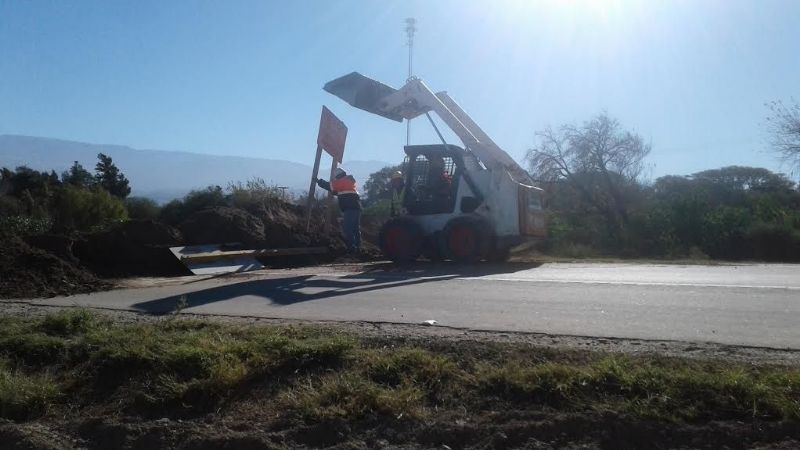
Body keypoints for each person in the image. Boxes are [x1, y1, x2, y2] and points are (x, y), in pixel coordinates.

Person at [317, 167, 362, 253]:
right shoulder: (349, 181)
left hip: (350, 208)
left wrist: (319, 181)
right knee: (355, 229)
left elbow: (330, 186)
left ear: (338, 176)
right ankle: (358, 247)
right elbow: (342, 192)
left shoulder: (342, 181)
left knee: (347, 228)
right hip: (356, 207)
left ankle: (351, 248)